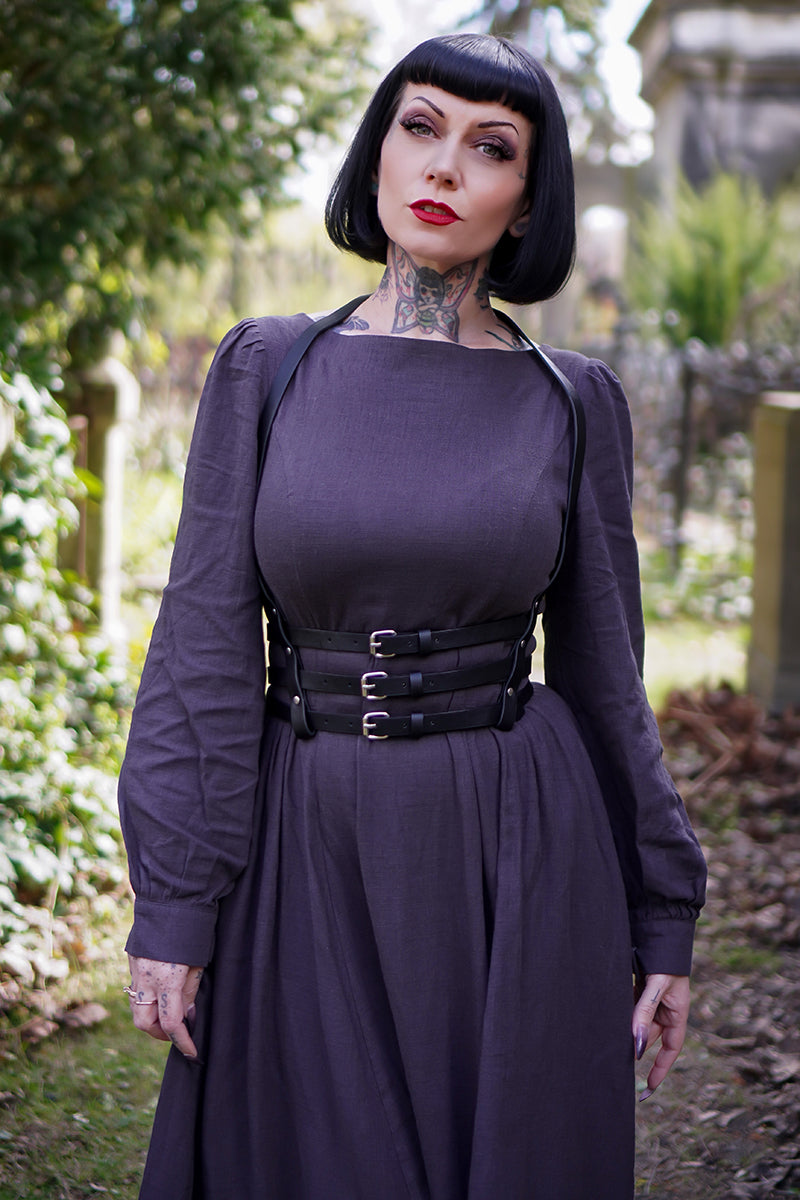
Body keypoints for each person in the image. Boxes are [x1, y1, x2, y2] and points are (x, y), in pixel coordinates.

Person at [119, 32, 707, 1200]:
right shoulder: (267, 371)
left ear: (526, 200)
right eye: (420, 127)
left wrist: (659, 915)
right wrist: (175, 903)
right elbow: (200, 647)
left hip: (513, 849)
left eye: (490, 147)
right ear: (378, 152)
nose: (443, 166)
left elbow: (605, 676)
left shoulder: (571, 402)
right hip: (304, 840)